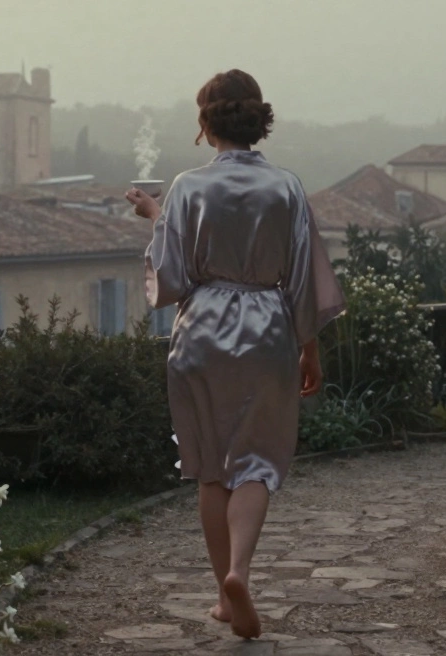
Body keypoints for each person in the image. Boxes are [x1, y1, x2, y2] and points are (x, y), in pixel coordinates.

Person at [125, 69, 345, 640]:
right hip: (267, 328)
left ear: (205, 124)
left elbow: (172, 275)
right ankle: (239, 572)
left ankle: (223, 597)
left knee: (209, 467)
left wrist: (156, 217)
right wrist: (309, 350)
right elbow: (304, 279)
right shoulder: (286, 188)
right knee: (257, 462)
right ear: (258, 119)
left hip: (200, 331)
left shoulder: (187, 187)